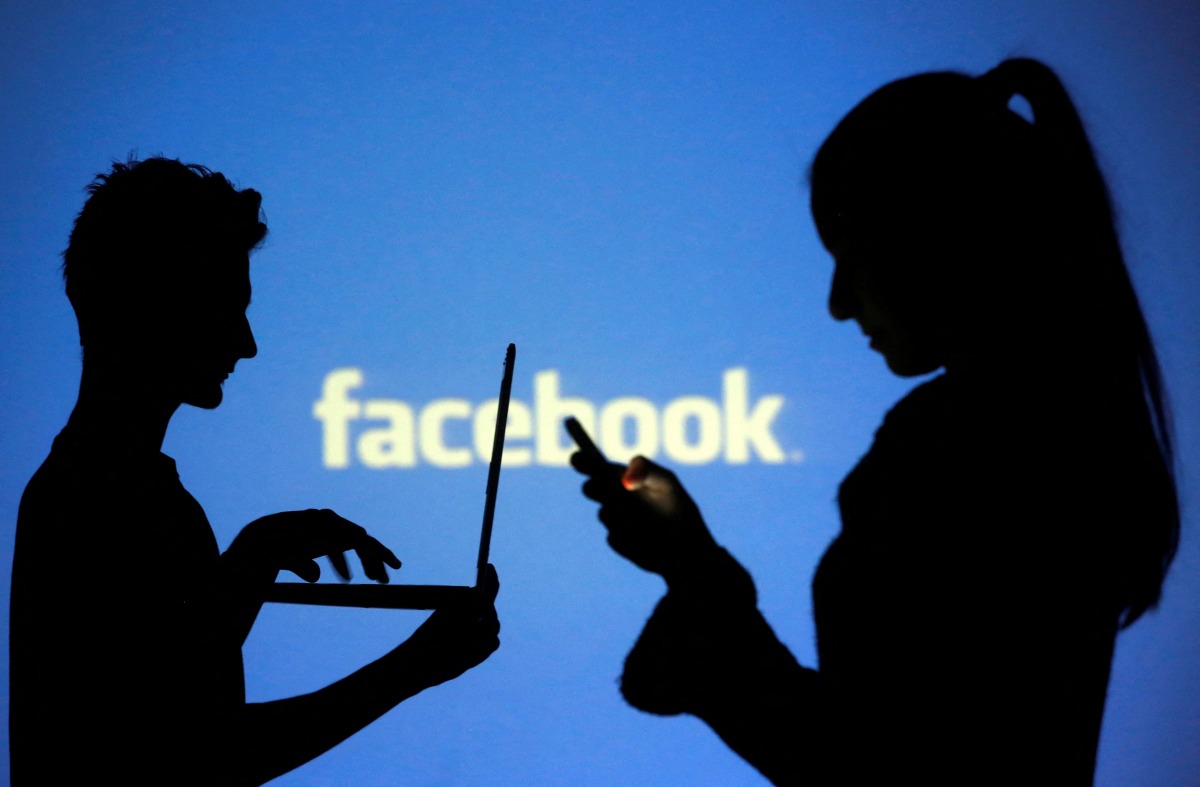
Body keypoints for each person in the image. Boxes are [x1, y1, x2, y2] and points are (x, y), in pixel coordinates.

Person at [571, 57, 1179, 785]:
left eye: (850, 257)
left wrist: (703, 589)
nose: (837, 301)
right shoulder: (1069, 431)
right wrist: (697, 570)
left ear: (932, 244)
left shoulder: (961, 448)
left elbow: (878, 764)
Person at [9, 157, 501, 785]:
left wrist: (249, 561)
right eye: (226, 307)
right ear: (157, 306)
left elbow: (172, 686)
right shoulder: (105, 502)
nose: (246, 343)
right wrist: (414, 667)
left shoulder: (95, 486)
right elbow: (193, 754)